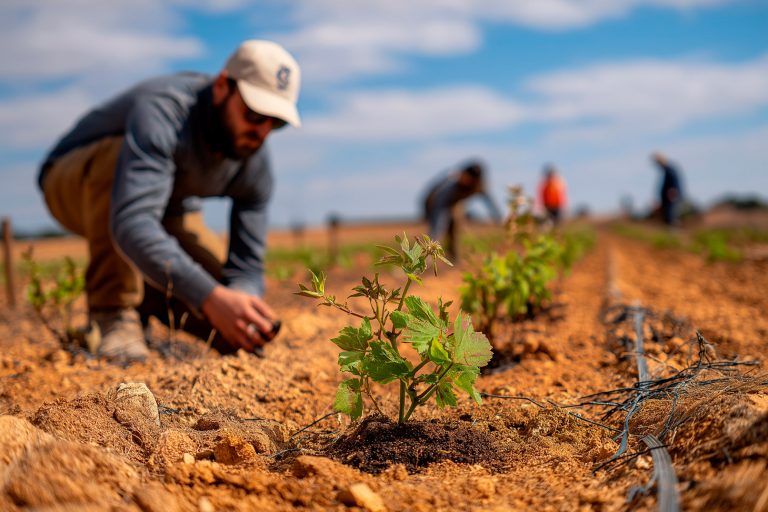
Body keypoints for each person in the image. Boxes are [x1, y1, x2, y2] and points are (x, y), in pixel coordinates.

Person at [37, 40, 301, 362]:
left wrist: (238, 300)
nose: (262, 132)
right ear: (222, 86)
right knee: (119, 158)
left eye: (276, 122)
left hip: (166, 207)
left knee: (225, 312)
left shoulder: (254, 160)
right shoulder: (166, 109)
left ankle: (147, 299)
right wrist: (209, 297)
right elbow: (132, 220)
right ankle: (112, 313)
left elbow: (246, 266)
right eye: (254, 113)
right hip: (73, 184)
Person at [422, 160, 502, 260]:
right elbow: (439, 204)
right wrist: (438, 225)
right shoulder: (452, 181)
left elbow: (490, 202)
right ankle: (426, 259)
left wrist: (497, 217)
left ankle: (454, 258)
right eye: (464, 176)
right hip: (434, 202)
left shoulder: (479, 185)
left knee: (454, 229)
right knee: (437, 231)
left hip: (453, 205)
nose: (464, 179)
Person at [651, 152, 683, 226]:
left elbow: (674, 184)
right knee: (667, 216)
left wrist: (673, 192)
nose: (657, 165)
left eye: (658, 162)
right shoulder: (667, 170)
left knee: (670, 216)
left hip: (671, 198)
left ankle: (674, 232)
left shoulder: (670, 170)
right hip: (667, 198)